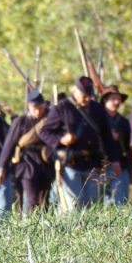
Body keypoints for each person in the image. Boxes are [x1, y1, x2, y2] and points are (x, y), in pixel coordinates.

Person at [38, 76, 121, 210]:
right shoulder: (62, 108)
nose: (87, 98)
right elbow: (44, 132)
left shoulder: (97, 109)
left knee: (92, 205)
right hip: (71, 161)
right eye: (84, 95)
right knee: (73, 206)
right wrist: (61, 139)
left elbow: (107, 137)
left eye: (89, 95)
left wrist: (115, 160)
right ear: (75, 91)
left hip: (93, 162)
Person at [0, 91, 55, 215]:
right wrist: (1, 167)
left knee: (44, 201)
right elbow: (9, 145)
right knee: (32, 200)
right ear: (29, 106)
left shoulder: (50, 121)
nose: (38, 111)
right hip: (27, 165)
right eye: (35, 108)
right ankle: (32, 228)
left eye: (40, 107)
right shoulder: (21, 122)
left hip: (46, 165)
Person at [99, 85, 132, 206]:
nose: (117, 102)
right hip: (100, 165)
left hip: (121, 165)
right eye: (113, 98)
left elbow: (128, 147)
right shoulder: (96, 119)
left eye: (118, 99)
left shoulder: (123, 122)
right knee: (99, 202)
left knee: (121, 202)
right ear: (105, 100)